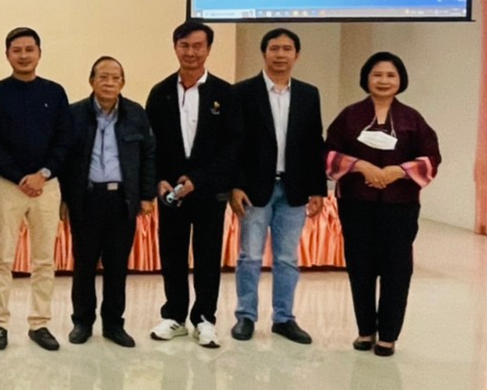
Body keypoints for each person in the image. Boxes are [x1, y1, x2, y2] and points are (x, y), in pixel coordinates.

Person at [325, 52, 441, 356]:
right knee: (359, 266)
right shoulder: (349, 116)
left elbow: (432, 158)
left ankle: (388, 335)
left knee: (397, 269)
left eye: (391, 75)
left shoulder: (412, 119)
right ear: (366, 78)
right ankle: (365, 330)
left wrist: (398, 172)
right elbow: (328, 154)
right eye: (377, 74)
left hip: (399, 206)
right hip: (356, 203)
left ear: (400, 80)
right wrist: (360, 166)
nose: (384, 81)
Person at [144, 19, 240, 349]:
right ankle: (174, 315)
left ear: (208, 49)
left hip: (209, 191)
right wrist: (159, 180)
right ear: (175, 48)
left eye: (198, 46)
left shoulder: (225, 93)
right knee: (171, 254)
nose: (191, 52)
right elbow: (151, 144)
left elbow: (232, 146)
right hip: (170, 192)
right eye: (184, 45)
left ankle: (204, 319)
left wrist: (198, 179)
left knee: (207, 256)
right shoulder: (160, 92)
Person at [229, 28, 326, 344]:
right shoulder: (243, 92)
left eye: (287, 49)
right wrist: (235, 185)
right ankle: (245, 316)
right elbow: (234, 144)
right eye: (274, 48)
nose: (280, 54)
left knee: (286, 259)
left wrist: (318, 189)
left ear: (297, 55)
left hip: (294, 188)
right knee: (250, 257)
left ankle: (284, 319)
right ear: (264, 53)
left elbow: (315, 143)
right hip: (255, 189)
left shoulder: (309, 94)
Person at [0, 26, 74, 352]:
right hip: (9, 186)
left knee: (44, 260)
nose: (23, 56)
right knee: (2, 258)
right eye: (17, 50)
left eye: (29, 49)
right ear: (7, 55)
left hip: (47, 186)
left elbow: (64, 139)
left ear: (39, 53)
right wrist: (20, 176)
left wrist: (43, 174)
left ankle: (40, 323)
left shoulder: (55, 92)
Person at [60, 56, 157, 348]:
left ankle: (114, 324)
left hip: (122, 200)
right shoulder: (74, 114)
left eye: (115, 78)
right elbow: (64, 158)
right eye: (103, 77)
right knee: (84, 263)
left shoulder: (136, 114)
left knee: (117, 265)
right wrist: (64, 198)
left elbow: (149, 155)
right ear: (91, 81)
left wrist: (146, 195)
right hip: (86, 199)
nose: (109, 83)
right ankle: (82, 322)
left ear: (123, 83)